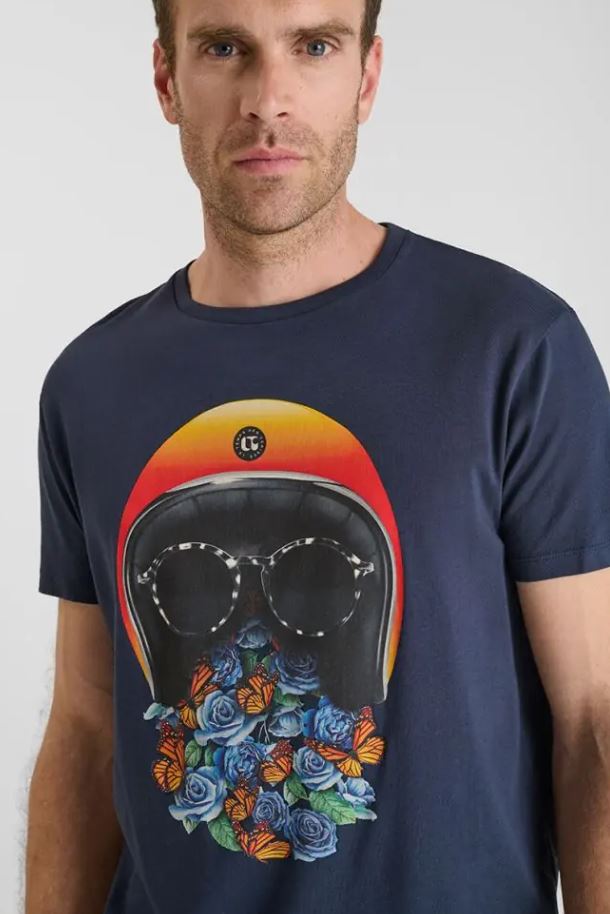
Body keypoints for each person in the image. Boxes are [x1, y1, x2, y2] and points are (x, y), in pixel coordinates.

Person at [25, 1, 610, 913]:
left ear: (366, 77)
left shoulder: (515, 347)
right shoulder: (90, 384)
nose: (269, 98)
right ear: (167, 80)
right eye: (225, 47)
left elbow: (595, 719)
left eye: (314, 46)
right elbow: (85, 726)